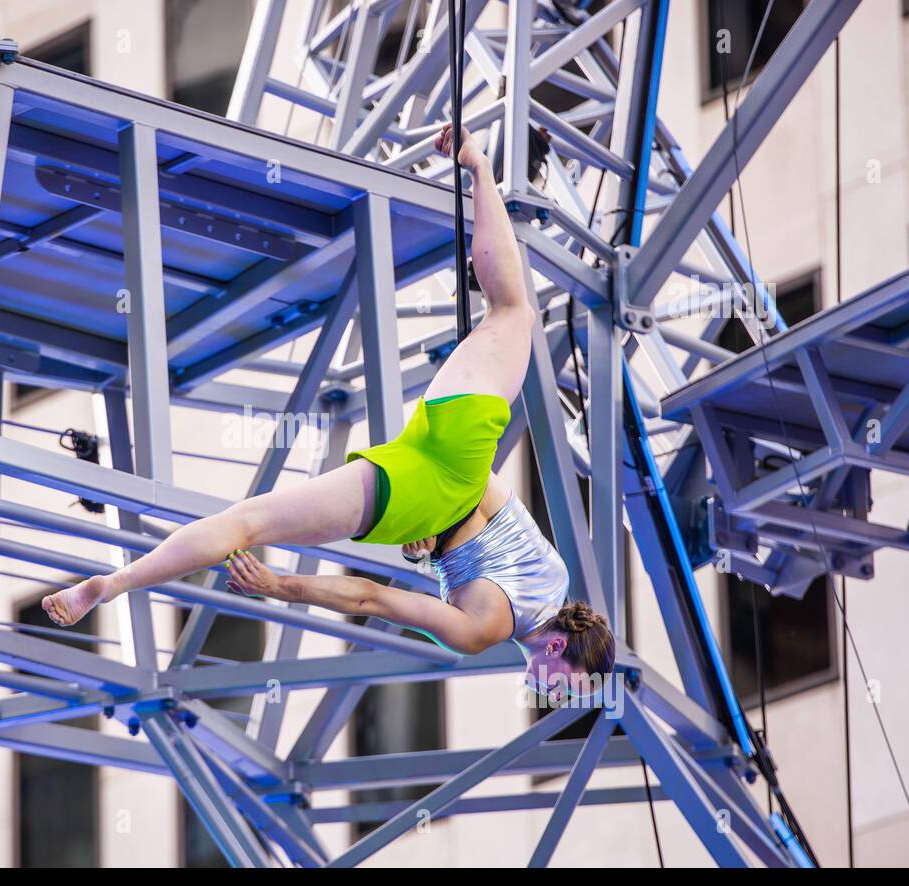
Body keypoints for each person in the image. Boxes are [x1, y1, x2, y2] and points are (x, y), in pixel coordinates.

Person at [43, 122, 615, 695]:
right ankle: (111, 586)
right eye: (565, 685)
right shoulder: (486, 632)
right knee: (247, 524)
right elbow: (373, 598)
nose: (551, 692)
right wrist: (282, 586)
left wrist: (438, 539)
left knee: (512, 310)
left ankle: (478, 166)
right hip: (413, 498)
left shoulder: (555, 576)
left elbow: (486, 502)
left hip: (457, 454)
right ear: (561, 646)